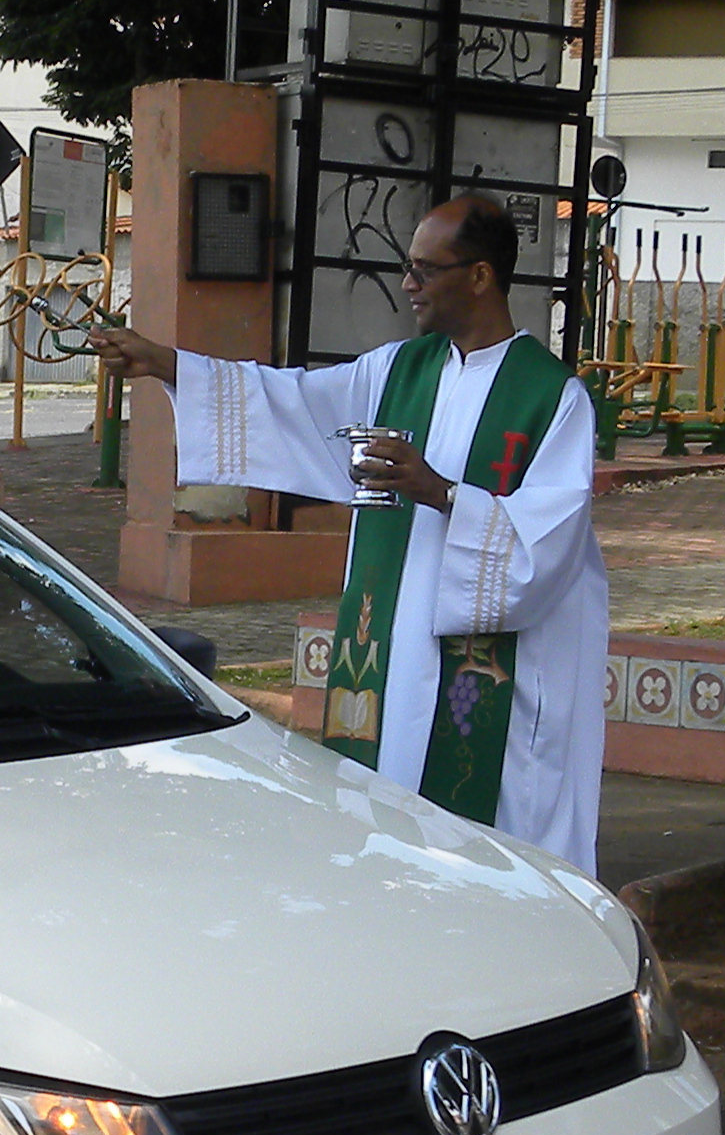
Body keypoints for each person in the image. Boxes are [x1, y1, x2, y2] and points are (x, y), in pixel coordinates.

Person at [85, 196, 609, 869]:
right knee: (392, 820)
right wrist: (167, 364)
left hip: (491, 668)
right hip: (392, 644)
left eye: (426, 269)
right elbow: (291, 402)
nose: (408, 284)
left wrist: (442, 493)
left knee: (490, 844)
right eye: (407, 267)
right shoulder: (396, 370)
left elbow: (551, 544)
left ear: (480, 277)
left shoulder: (551, 397)